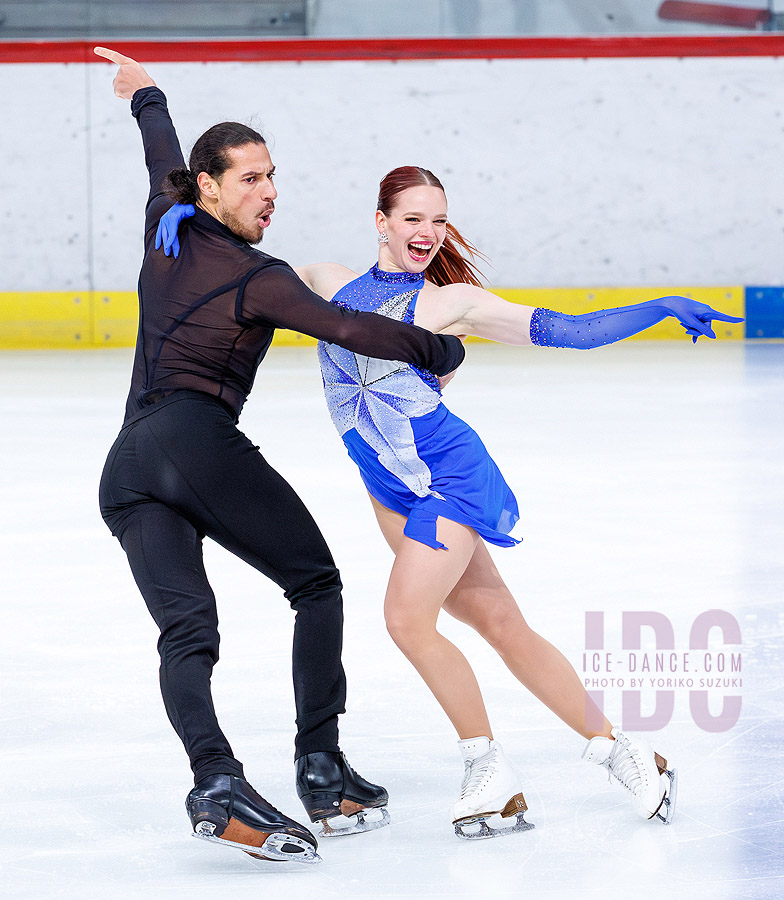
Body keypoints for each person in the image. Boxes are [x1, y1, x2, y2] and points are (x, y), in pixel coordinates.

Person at [158, 176, 740, 836]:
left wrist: (657, 305)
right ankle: (628, 753)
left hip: (448, 479)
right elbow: (236, 274)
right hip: (389, 486)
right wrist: (189, 212)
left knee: (407, 620)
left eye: (438, 219)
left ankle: (486, 766)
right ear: (381, 221)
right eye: (412, 217)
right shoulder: (325, 280)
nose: (427, 231)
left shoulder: (454, 302)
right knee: (501, 624)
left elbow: (572, 332)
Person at [93, 48, 466, 865]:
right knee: (317, 582)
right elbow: (353, 329)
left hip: (124, 470)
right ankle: (320, 767)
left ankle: (215, 782)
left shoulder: (168, 218)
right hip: (192, 437)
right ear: (210, 188)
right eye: (251, 178)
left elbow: (161, 150)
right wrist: (436, 351)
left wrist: (146, 93)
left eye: (273, 176)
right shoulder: (260, 276)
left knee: (186, 635)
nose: (269, 192)